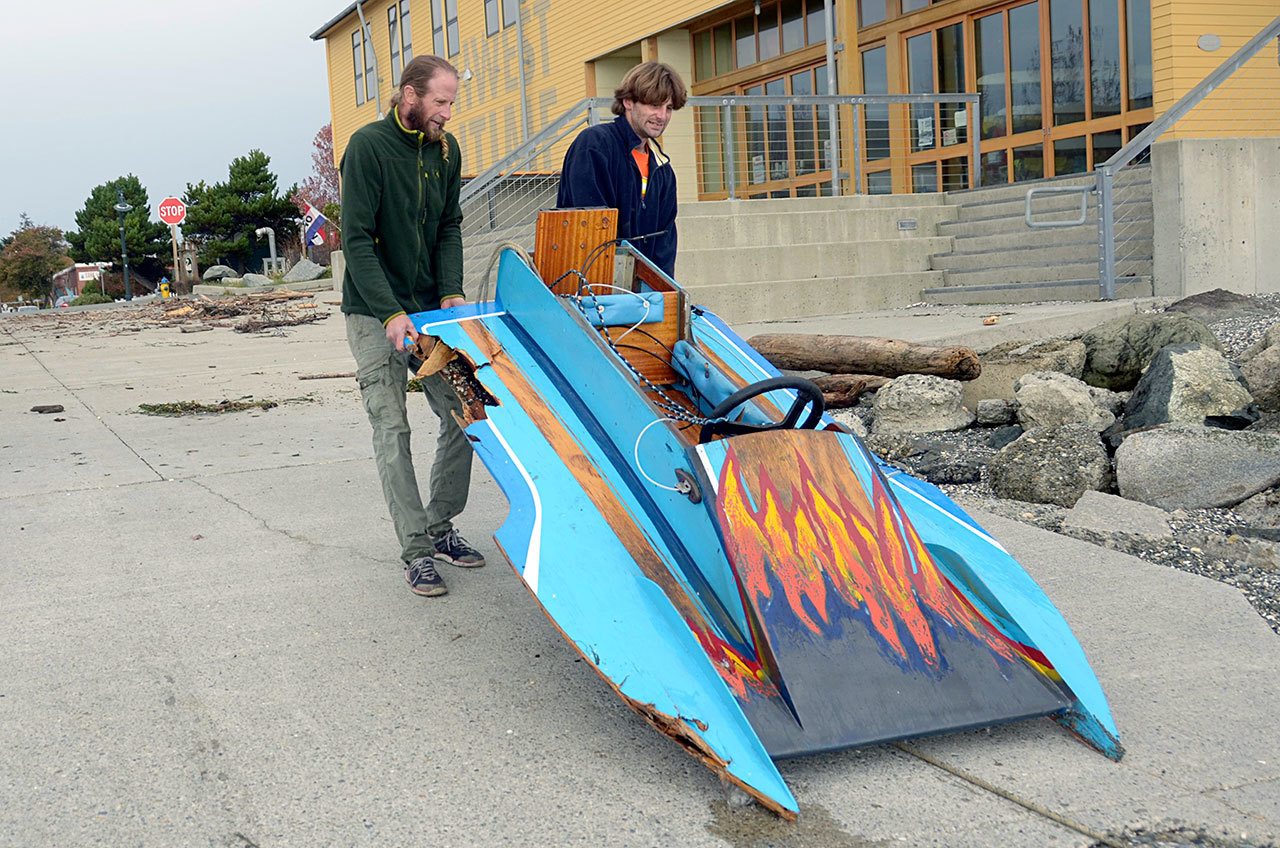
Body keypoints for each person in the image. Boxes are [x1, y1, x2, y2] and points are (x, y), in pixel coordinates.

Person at [340, 54, 484, 598]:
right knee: (392, 427)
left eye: (451, 103)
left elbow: (450, 225)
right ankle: (416, 551)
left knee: (466, 412)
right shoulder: (369, 147)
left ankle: (439, 525)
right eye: (440, 102)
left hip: (429, 310)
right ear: (409, 95)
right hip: (374, 312)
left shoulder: (445, 150)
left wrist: (451, 291)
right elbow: (355, 241)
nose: (447, 112)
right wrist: (390, 312)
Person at [556, 61, 688, 277]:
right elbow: (593, 232)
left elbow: (664, 248)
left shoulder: (663, 169)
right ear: (628, 101)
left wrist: (662, 297)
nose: (662, 116)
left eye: (669, 108)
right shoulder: (595, 145)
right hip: (587, 290)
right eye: (654, 105)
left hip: (639, 297)